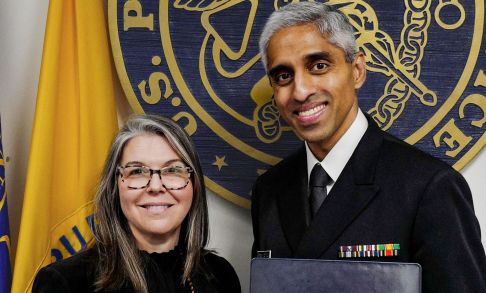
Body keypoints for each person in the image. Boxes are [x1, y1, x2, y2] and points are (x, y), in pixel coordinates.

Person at [251, 2, 486, 292]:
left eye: (319, 66)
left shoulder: (428, 187)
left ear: (358, 70)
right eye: (283, 76)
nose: (300, 90)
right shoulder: (270, 190)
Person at [33, 114, 241, 292]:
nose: (156, 186)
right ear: (115, 188)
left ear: (194, 185)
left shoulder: (220, 276)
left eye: (173, 170)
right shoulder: (64, 283)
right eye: (137, 171)